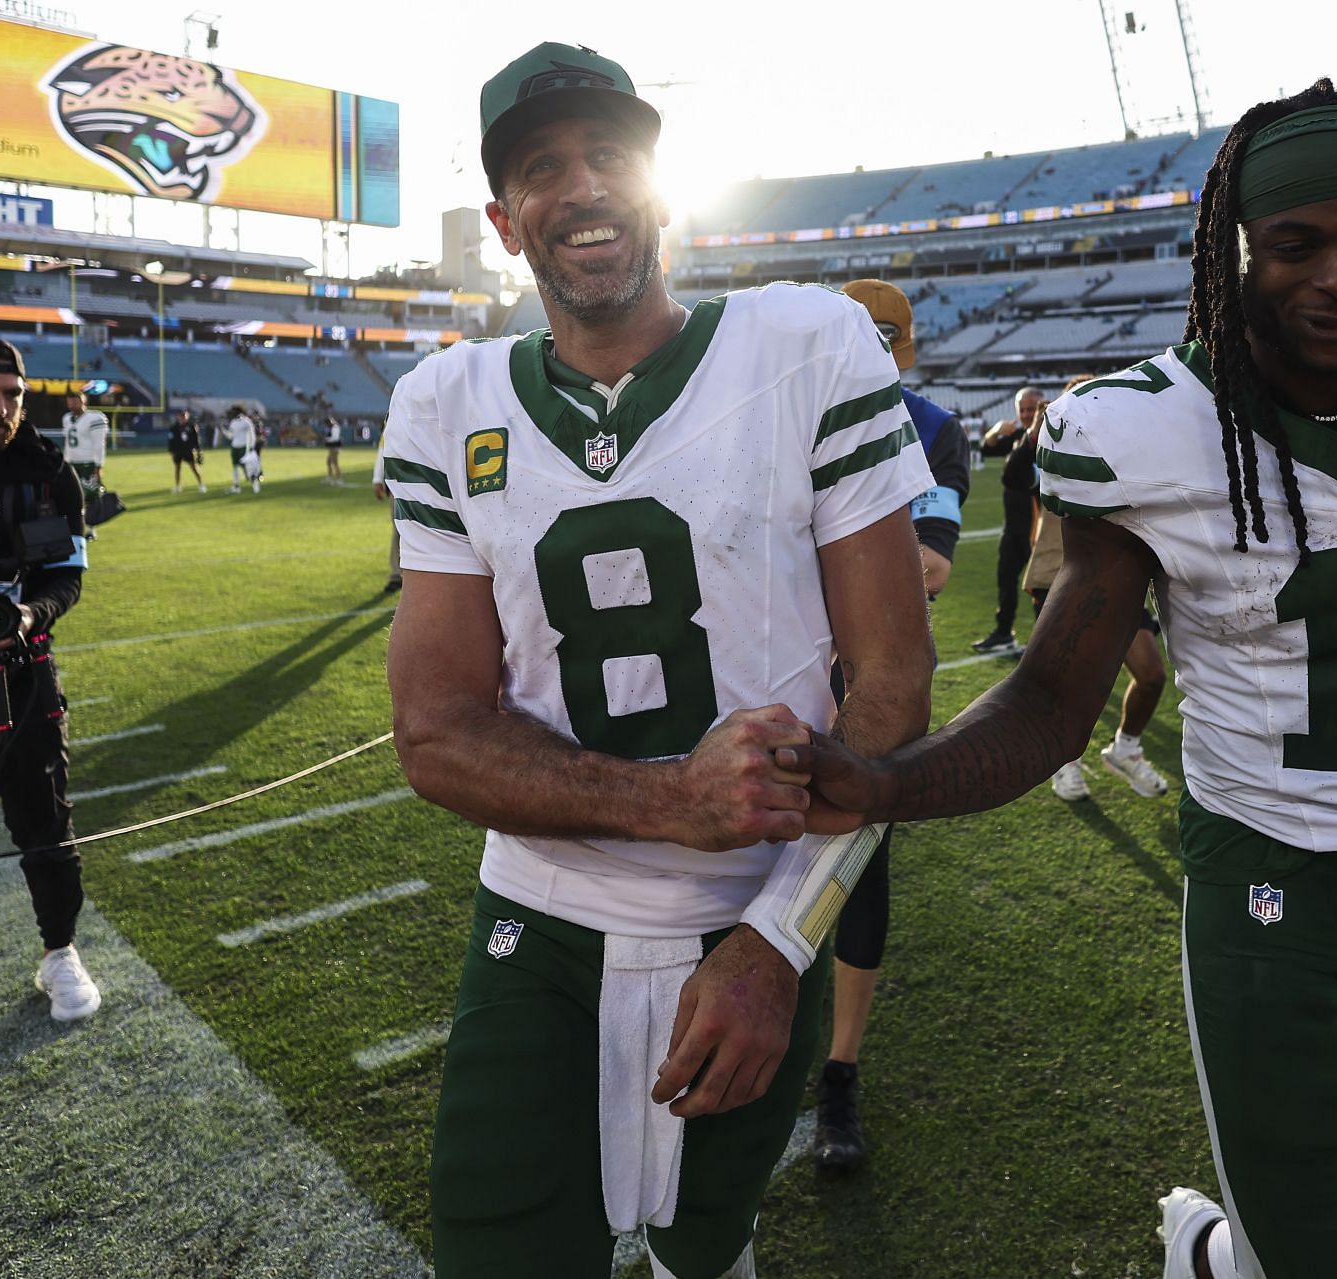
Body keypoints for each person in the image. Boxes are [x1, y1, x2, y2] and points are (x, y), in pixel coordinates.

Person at [801, 81, 1337, 1279]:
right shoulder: (1153, 431)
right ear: (1233, 247)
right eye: (1297, 244)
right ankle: (1207, 1246)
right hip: (1276, 882)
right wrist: (883, 780)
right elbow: (1057, 699)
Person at [381, 43, 934, 1279]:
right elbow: (437, 734)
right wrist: (666, 800)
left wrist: (782, 941)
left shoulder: (809, 347)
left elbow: (891, 690)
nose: (582, 188)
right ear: (503, 219)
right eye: (541, 168)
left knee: (706, 1247)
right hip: (542, 909)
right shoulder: (442, 403)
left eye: (611, 156)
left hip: (750, 910)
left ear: (662, 185)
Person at [808, 279, 970, 1175]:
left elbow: (934, 567)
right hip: (774, 666)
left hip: (871, 673)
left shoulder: (933, 428)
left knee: (855, 867)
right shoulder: (789, 414)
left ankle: (840, 1071)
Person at [0, 335, 95, 1022]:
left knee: (45, 816)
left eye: (12, 394)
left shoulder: (45, 467)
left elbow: (67, 572)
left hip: (20, 669)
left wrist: (31, 613)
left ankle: (60, 950)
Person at [1011, 379, 1172, 803]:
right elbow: (1015, 477)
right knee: (1070, 683)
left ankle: (1125, 749)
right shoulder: (1052, 446)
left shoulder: (1122, 447)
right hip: (1059, 577)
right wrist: (1034, 432)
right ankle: (1064, 764)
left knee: (1152, 675)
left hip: (1119, 574)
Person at [969, 386, 1043, 654]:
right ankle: (1003, 633)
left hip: (1039, 527)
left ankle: (1042, 644)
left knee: (1041, 587)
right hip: (1013, 525)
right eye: (1022, 409)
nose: (1026, 414)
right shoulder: (1017, 437)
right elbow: (986, 449)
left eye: (1031, 408)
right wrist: (995, 430)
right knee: (1006, 579)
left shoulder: (1049, 438)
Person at [60, 391, 108, 495]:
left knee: (91, 495)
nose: (72, 404)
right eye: (70, 402)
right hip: (71, 463)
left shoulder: (95, 418)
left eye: (75, 402)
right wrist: (65, 461)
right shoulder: (67, 418)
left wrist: (99, 466)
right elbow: (67, 442)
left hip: (88, 463)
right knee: (72, 494)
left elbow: (99, 443)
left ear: (83, 401)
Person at [371, 435, 401, 594]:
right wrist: (377, 478)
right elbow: (384, 445)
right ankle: (397, 574)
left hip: (429, 482)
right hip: (399, 482)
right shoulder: (394, 413)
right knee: (399, 529)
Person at [168, 408, 206, 493]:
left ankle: (201, 485)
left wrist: (198, 450)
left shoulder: (192, 426)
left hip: (188, 450)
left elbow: (196, 439)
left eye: (185, 416)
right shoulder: (174, 427)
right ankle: (177, 486)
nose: (183, 418)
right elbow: (171, 439)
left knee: (194, 468)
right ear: (178, 417)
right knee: (177, 468)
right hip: (178, 450)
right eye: (182, 416)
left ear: (187, 416)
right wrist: (171, 450)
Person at [225, 404, 257, 493]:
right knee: (235, 467)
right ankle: (236, 486)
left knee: (247, 467)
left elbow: (252, 434)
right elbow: (231, 436)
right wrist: (224, 431)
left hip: (244, 447)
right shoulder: (233, 422)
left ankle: (254, 484)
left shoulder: (246, 421)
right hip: (234, 447)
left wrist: (251, 446)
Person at [323, 414, 344, 485]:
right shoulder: (332, 427)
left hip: (335, 447)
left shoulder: (335, 427)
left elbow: (335, 438)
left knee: (335, 463)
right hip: (332, 447)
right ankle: (330, 477)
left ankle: (339, 479)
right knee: (328, 462)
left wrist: (327, 439)